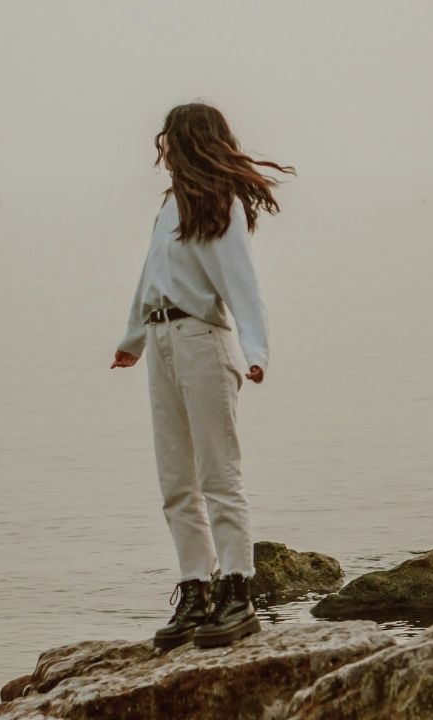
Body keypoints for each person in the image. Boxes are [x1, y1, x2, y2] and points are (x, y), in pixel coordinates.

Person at [109, 102, 295, 650]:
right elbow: (150, 277)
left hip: (202, 341)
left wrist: (257, 350)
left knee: (219, 473)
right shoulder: (167, 208)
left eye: (168, 138)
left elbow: (243, 282)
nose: (162, 147)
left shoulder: (222, 204)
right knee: (175, 480)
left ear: (190, 141)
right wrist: (132, 341)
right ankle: (194, 589)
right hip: (163, 339)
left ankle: (236, 591)